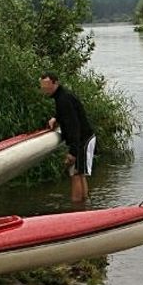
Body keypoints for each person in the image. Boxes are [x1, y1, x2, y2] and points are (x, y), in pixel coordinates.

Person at [40, 73, 96, 203]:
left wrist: (72, 152)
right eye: (43, 87)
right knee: (79, 173)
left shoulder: (63, 99)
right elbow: (67, 113)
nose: (45, 90)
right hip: (84, 138)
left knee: (75, 174)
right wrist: (56, 118)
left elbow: (74, 126)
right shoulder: (62, 96)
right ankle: (84, 207)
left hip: (83, 139)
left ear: (55, 83)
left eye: (47, 86)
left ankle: (76, 208)